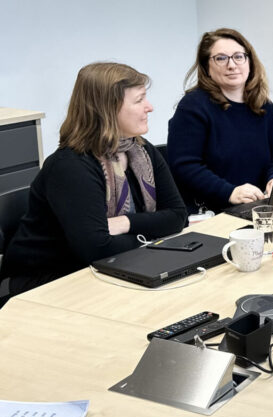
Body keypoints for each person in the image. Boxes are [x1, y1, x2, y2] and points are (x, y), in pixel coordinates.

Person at [2, 63, 187, 296]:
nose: (149, 107)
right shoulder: (71, 166)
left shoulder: (140, 150)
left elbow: (178, 217)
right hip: (46, 282)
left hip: (108, 268)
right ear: (108, 109)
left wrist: (125, 224)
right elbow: (98, 248)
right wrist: (155, 236)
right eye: (139, 100)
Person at [167, 27, 273, 212]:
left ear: (249, 61)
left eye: (238, 56)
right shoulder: (193, 107)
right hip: (213, 211)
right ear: (206, 67)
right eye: (221, 58)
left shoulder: (263, 105)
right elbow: (185, 166)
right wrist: (229, 192)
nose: (232, 65)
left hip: (259, 206)